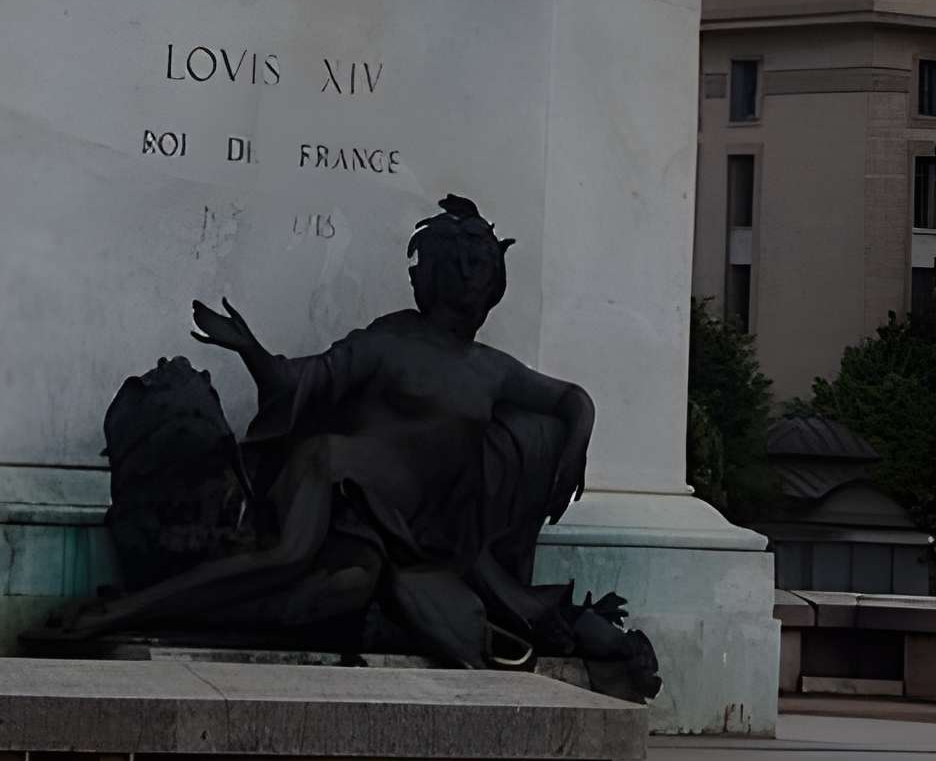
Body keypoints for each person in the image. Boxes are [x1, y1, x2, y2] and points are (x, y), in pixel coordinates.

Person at [60, 197, 659, 693]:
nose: (462, 277)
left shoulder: (491, 369)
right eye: (453, 266)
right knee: (284, 559)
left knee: (341, 584)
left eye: (473, 267)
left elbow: (571, 398)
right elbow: (305, 379)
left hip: (395, 524)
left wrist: (575, 445)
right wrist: (252, 352)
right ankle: (124, 612)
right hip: (332, 474)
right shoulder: (390, 339)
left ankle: (141, 610)